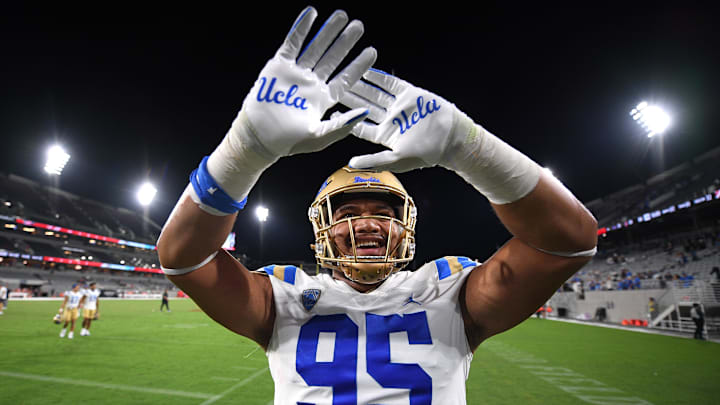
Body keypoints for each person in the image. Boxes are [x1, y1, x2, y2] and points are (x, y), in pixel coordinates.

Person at [156, 7, 598, 404]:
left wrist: (467, 147)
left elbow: (569, 241)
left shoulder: (448, 292)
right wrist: (242, 152)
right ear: (322, 228)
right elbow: (183, 257)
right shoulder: (284, 297)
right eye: (348, 214)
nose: (367, 224)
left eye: (383, 214)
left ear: (406, 225)